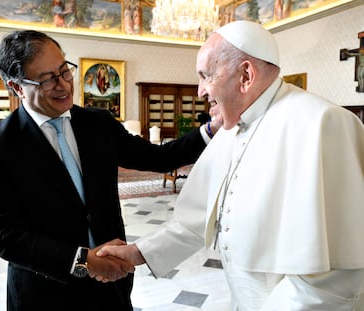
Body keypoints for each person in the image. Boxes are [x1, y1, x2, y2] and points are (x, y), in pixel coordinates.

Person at [97, 20, 364, 310]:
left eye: (206, 76)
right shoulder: (230, 128)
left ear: (246, 75)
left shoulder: (322, 123)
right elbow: (196, 221)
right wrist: (139, 252)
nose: (200, 91)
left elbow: (337, 276)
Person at [0, 30, 221, 310]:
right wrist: (83, 261)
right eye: (47, 79)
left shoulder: (98, 123)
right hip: (45, 293)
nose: (63, 84)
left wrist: (211, 130)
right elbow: (6, 237)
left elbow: (159, 158)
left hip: (110, 286)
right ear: (17, 87)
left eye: (65, 70)